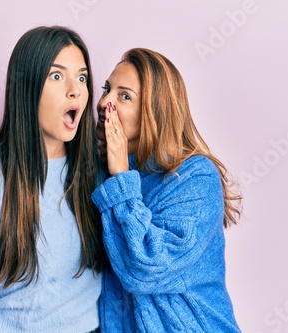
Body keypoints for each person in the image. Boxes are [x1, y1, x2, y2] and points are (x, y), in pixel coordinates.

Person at [0, 26, 104, 333]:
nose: (75, 90)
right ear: (27, 86)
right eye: (57, 76)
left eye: (82, 77)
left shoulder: (97, 172)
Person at [92, 48, 242, 332]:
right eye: (106, 89)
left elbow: (146, 267)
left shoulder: (195, 176)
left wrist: (121, 177)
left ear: (155, 110)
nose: (104, 103)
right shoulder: (100, 175)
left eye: (124, 96)